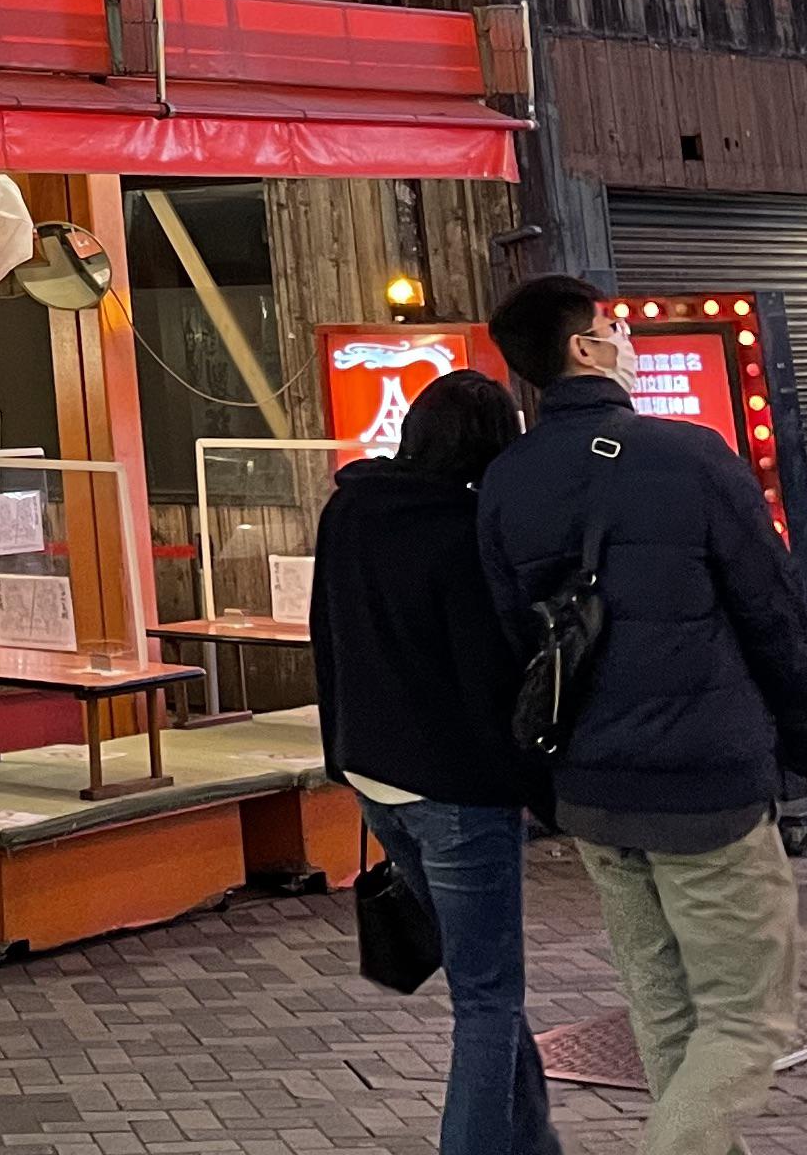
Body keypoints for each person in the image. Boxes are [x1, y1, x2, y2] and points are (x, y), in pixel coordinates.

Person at [480, 276, 807, 1155]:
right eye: (613, 327)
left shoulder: (506, 479)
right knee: (750, 1018)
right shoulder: (689, 454)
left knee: (667, 1015)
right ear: (583, 349)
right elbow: (772, 606)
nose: (625, 338)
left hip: (592, 786)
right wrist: (803, 736)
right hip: (705, 782)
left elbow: (509, 638)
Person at [315, 370, 558, 1155]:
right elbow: (489, 684)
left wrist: (338, 756)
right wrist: (539, 792)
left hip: (374, 775)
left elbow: (328, 640)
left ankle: (534, 1144)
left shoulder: (351, 510)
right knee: (487, 1002)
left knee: (487, 987)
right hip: (459, 790)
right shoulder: (466, 532)